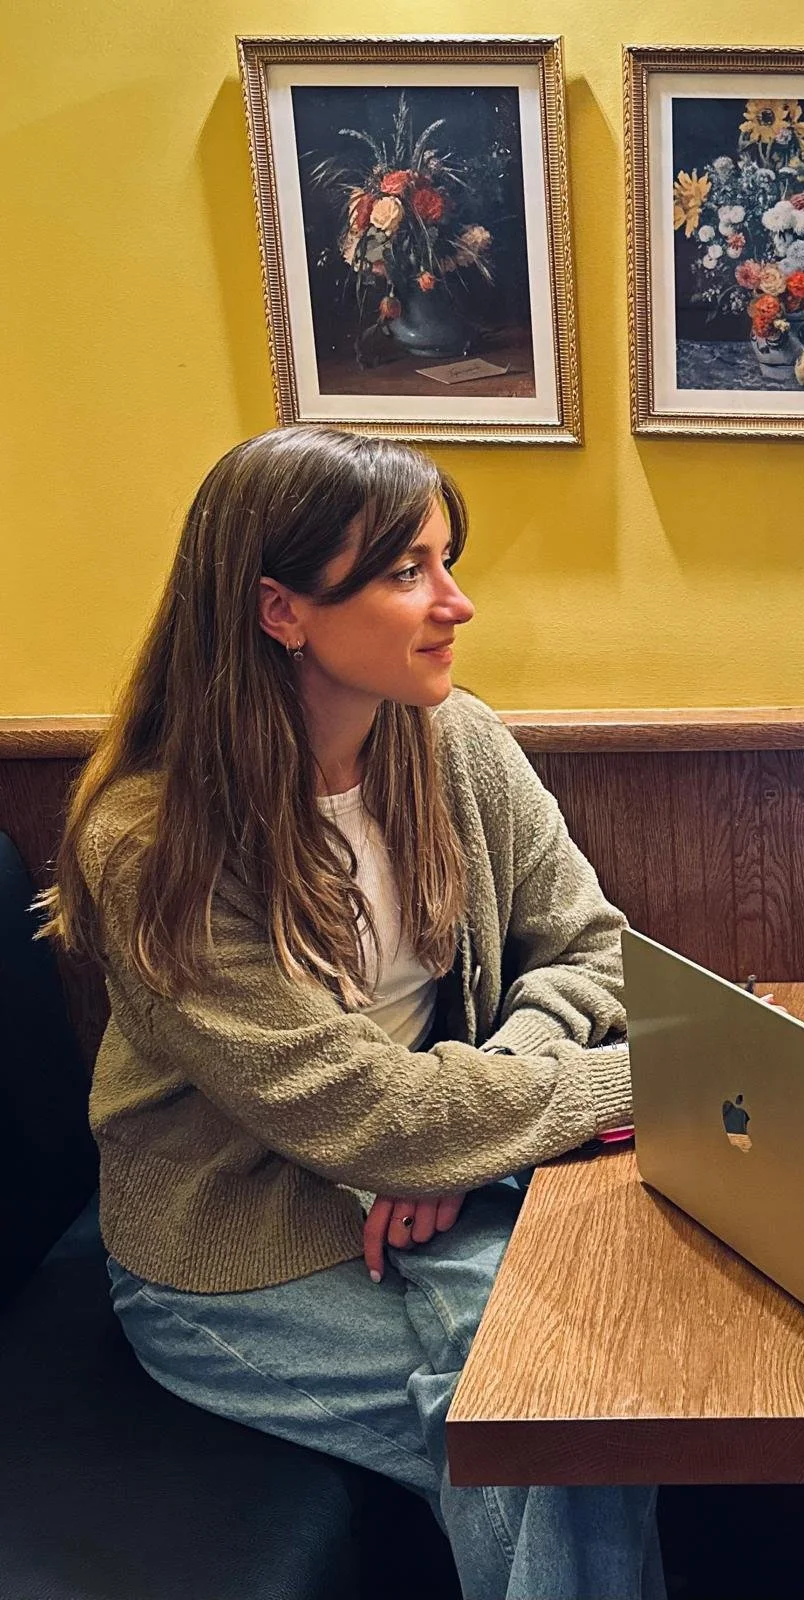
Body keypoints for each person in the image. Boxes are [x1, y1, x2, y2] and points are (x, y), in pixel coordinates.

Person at [43, 426, 662, 1600]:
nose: (455, 603)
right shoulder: (150, 845)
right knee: (527, 1419)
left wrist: (460, 1128)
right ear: (281, 609)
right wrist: (646, 1077)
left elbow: (592, 950)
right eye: (405, 572)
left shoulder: (452, 742)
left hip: (434, 1184)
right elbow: (368, 1109)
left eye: (445, 560)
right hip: (229, 1257)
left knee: (578, 1380)